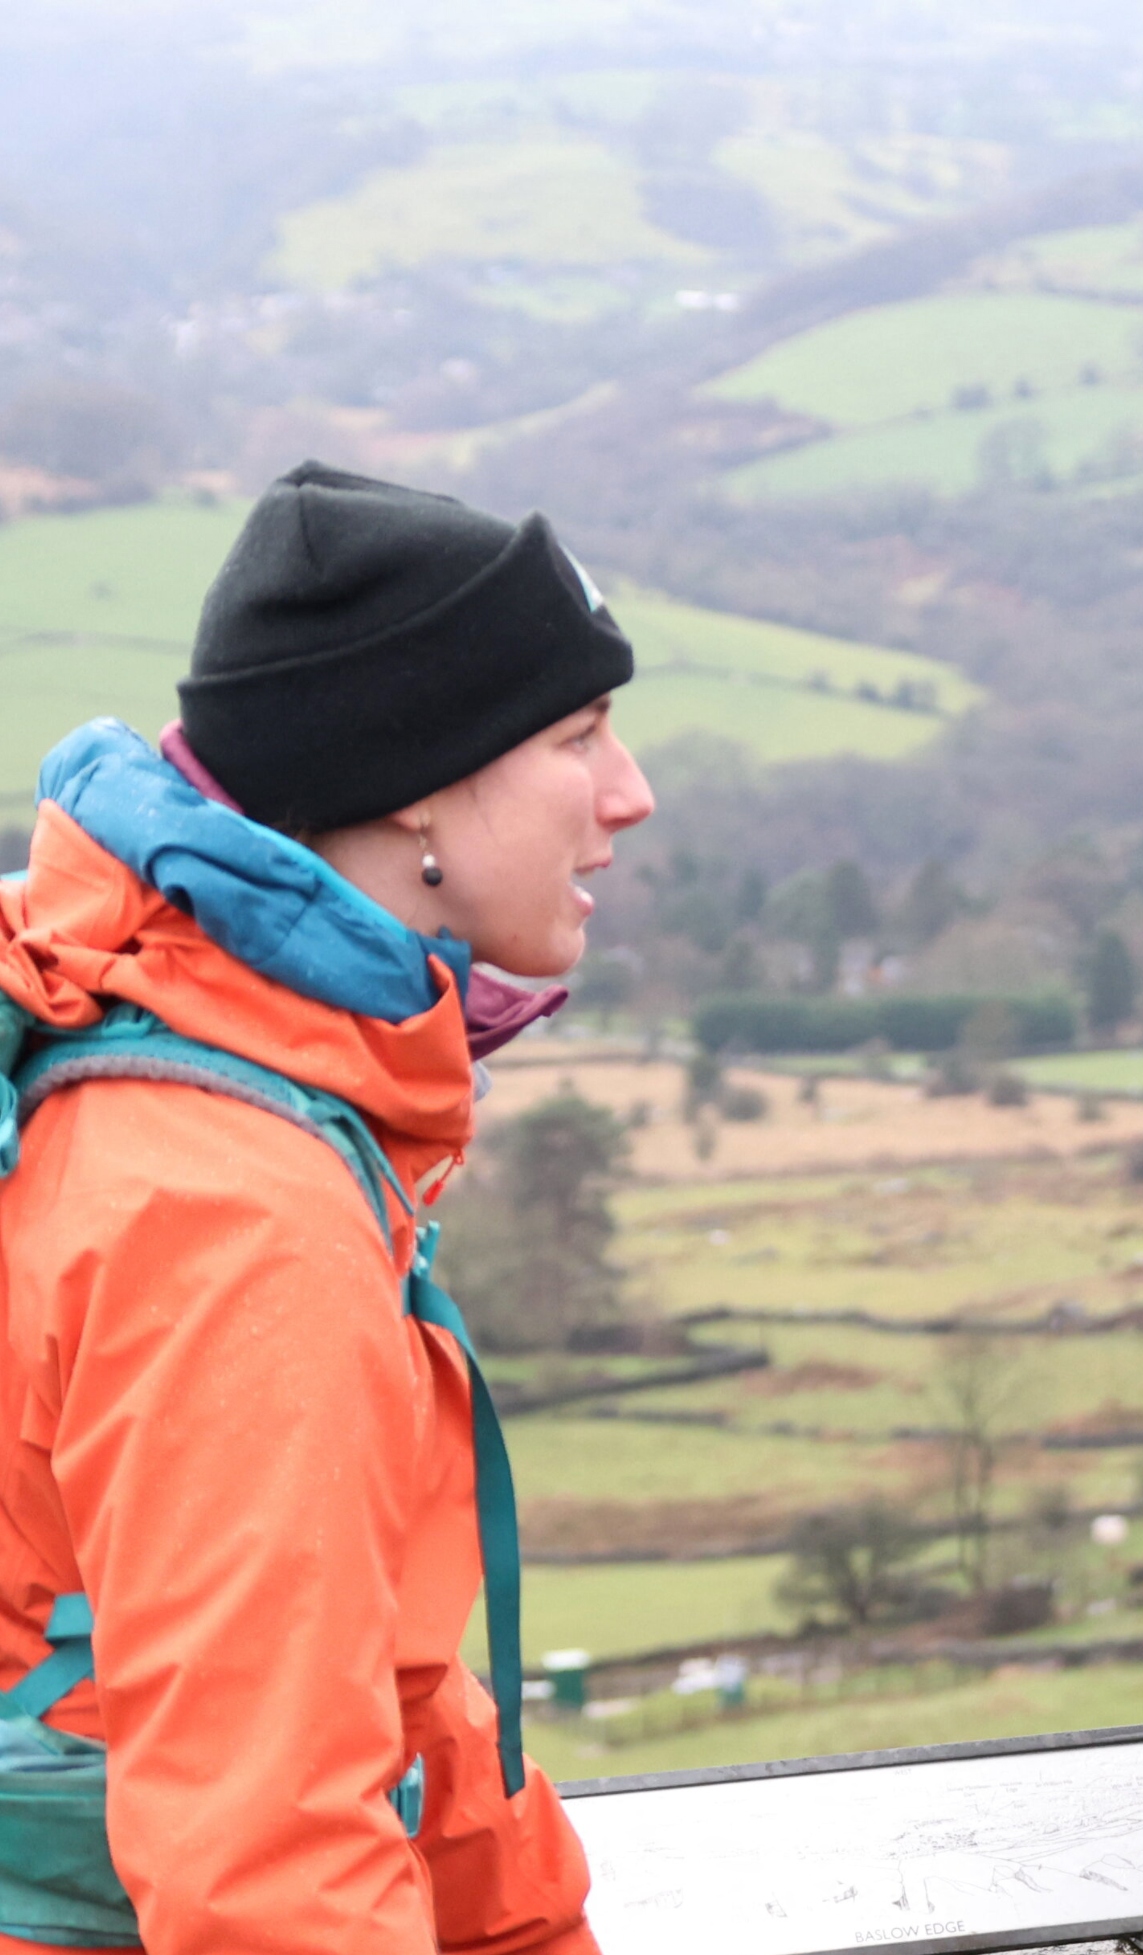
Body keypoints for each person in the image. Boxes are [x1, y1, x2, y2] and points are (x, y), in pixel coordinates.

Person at [0, 462, 651, 1954]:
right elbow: (266, 1864)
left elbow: (393, 1695)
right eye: (579, 733)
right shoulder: (236, 1219)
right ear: (420, 774)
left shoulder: (178, 1054)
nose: (629, 793)